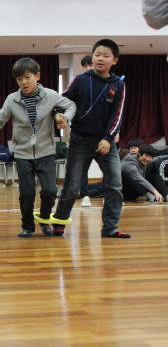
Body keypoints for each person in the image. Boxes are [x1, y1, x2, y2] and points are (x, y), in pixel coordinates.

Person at [0, 57, 76, 238]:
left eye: (27, 77)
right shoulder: (12, 99)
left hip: (46, 151)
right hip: (22, 153)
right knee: (26, 194)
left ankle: (44, 219)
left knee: (50, 190)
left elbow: (71, 105)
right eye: (19, 79)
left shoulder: (50, 95)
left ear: (37, 76)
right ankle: (27, 226)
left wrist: (65, 118)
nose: (23, 82)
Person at [50, 39, 130, 238]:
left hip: (106, 142)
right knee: (72, 186)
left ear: (114, 60)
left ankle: (110, 228)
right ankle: (59, 221)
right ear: (92, 57)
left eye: (106, 55)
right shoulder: (80, 80)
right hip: (79, 140)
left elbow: (117, 115)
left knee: (115, 185)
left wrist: (108, 138)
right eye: (97, 54)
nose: (100, 58)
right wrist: (58, 115)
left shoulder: (118, 85)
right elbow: (62, 102)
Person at [79, 55, 94, 207]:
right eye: (86, 66)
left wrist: (115, 132)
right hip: (83, 135)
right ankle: (85, 195)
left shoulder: (108, 83)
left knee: (110, 169)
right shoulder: (79, 83)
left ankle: (111, 195)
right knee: (83, 168)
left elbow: (115, 111)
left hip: (103, 135)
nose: (89, 68)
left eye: (91, 65)